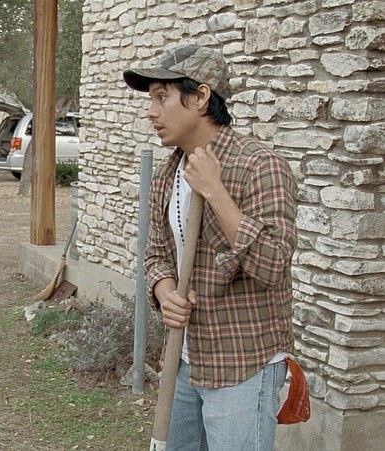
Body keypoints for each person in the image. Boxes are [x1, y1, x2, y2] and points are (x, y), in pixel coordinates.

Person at [123, 44, 298, 450]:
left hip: (242, 366)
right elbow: (155, 254)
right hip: (183, 359)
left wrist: (215, 192)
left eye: (162, 97)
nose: (151, 112)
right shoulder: (168, 172)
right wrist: (166, 292)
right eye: (151, 99)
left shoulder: (261, 166)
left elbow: (273, 264)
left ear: (201, 97)